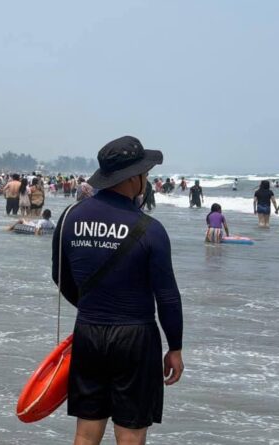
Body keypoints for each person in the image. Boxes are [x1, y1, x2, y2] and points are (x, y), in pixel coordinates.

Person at [52, 136, 183, 445]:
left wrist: (92, 306)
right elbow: (167, 296)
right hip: (135, 337)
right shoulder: (150, 229)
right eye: (146, 172)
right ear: (133, 177)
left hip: (88, 331)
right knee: (131, 433)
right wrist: (174, 347)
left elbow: (60, 275)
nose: (147, 179)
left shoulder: (70, 217)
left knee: (86, 431)